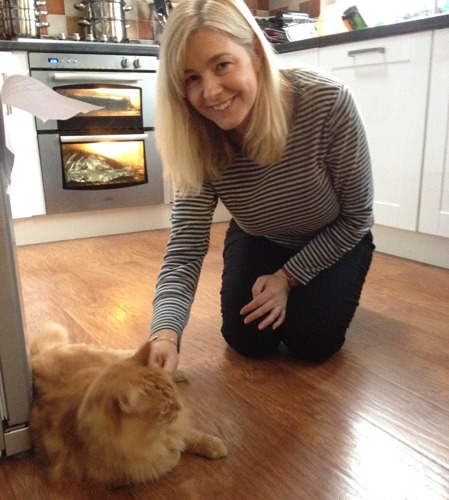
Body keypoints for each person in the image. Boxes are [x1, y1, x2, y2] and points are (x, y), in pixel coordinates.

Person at [148, 0, 375, 375]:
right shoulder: (195, 137)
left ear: (254, 52)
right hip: (262, 233)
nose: (211, 92)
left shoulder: (327, 101)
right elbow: (184, 249)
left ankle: (326, 290)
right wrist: (164, 334)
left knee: (312, 341)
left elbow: (357, 217)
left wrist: (287, 278)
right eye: (191, 78)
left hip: (338, 234)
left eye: (222, 65)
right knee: (247, 340)